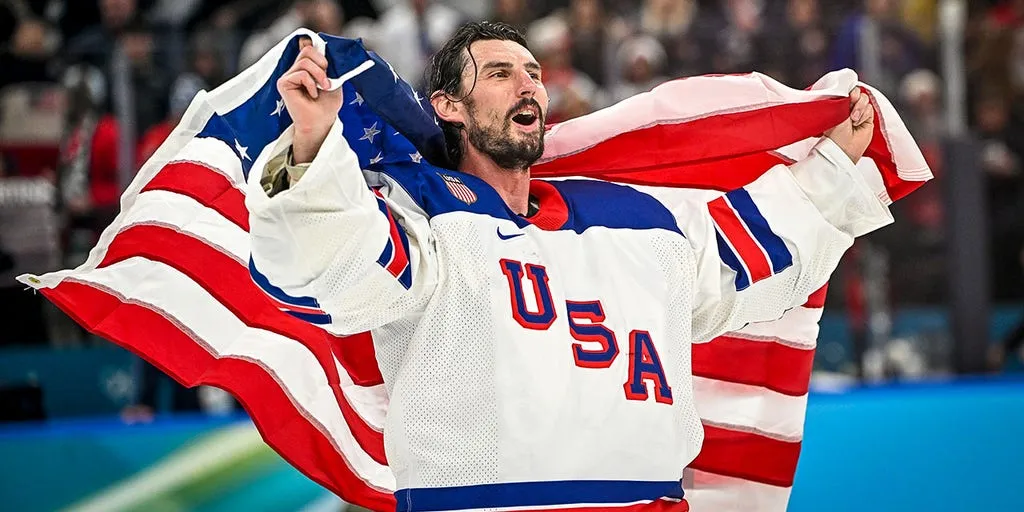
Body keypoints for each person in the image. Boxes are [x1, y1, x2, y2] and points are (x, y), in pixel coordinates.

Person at [247, 22, 887, 511]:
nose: (528, 83)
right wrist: (309, 149)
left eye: (532, 71)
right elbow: (342, 266)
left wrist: (832, 170)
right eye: (499, 73)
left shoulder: (636, 219)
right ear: (448, 106)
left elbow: (740, 262)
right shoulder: (422, 217)